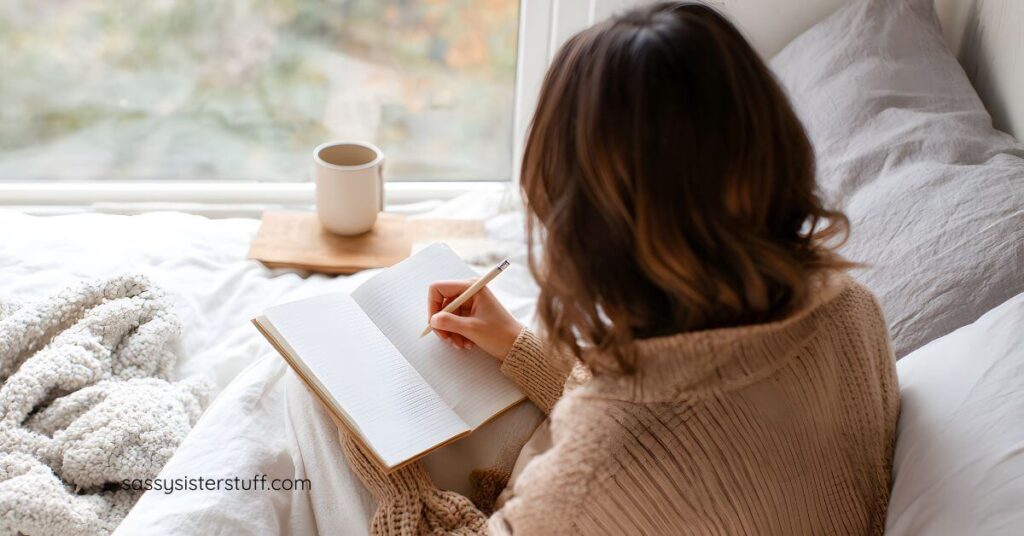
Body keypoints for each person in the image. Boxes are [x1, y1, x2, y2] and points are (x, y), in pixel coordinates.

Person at [338, 2, 900, 534]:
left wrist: (400, 481)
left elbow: (647, 447)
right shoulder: (852, 310)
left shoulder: (596, 472)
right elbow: (702, 415)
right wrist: (517, 346)